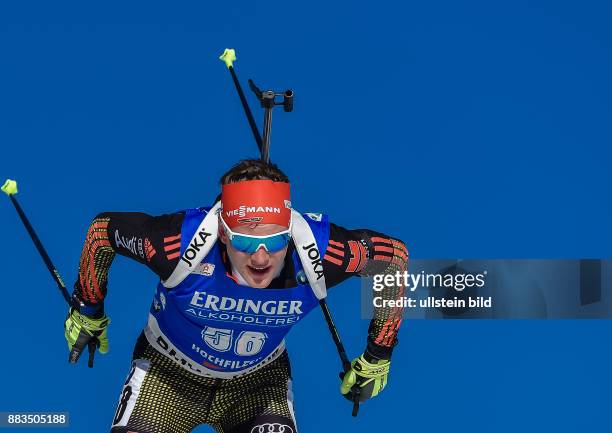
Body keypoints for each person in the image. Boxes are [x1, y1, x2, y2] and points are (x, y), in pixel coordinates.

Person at [64, 159, 408, 433]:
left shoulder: (318, 251)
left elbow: (393, 259)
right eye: (244, 240)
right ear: (223, 234)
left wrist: (379, 353)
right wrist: (88, 307)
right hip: (166, 376)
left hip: (258, 383)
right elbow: (101, 233)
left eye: (276, 241)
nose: (261, 258)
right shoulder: (178, 243)